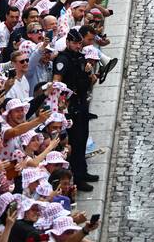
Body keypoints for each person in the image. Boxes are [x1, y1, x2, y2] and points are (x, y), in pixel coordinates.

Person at [52, 28, 96, 191]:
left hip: (82, 102)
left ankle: (83, 171)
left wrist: (90, 73)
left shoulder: (80, 57)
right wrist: (62, 106)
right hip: (71, 106)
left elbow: (88, 79)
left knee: (83, 138)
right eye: (75, 43)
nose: (78, 46)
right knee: (76, 142)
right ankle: (77, 178)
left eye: (79, 43)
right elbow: (57, 82)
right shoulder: (63, 59)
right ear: (68, 42)